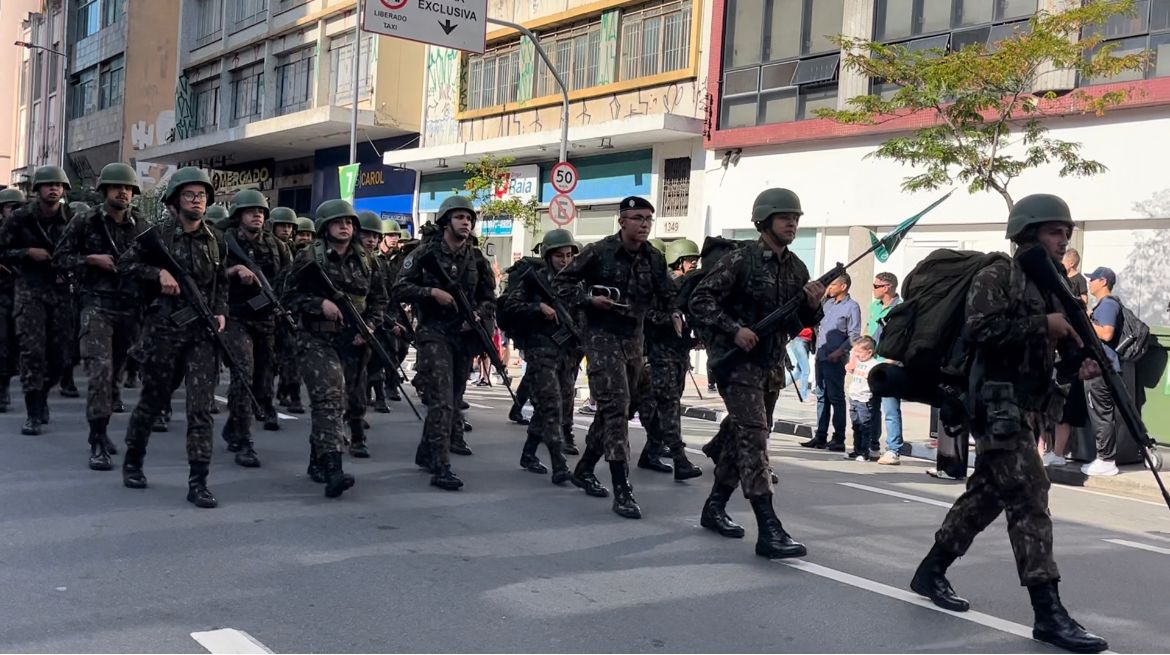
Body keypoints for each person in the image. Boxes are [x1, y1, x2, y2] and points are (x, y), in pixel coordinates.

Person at [910, 193, 1108, 654]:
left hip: (1031, 405)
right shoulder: (997, 273)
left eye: (1067, 232)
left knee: (987, 496)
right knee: (1029, 493)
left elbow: (1053, 347)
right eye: (1055, 231)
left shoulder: (1053, 279)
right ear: (1028, 232)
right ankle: (1048, 612)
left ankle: (932, 569)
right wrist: (1045, 324)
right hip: (994, 404)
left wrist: (1076, 361)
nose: (1064, 240)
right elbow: (980, 329)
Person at [689, 188, 824, 558]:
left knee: (739, 437)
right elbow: (700, 300)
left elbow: (797, 325)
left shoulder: (797, 268)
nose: (792, 223)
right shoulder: (740, 260)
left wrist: (813, 306)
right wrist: (734, 329)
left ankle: (714, 507)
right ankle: (769, 528)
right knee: (754, 439)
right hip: (737, 364)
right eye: (784, 217)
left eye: (795, 218)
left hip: (770, 366)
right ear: (764, 221)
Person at [555, 196, 679, 519]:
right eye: (637, 218)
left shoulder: (653, 258)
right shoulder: (599, 251)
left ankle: (583, 468)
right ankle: (622, 489)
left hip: (634, 341)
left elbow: (668, 295)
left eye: (648, 219)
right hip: (600, 338)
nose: (644, 224)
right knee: (616, 404)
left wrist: (676, 313)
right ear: (622, 221)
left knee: (621, 409)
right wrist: (588, 299)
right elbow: (561, 284)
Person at [116, 167, 227, 509]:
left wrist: (221, 311)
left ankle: (199, 480)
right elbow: (124, 267)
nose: (197, 201)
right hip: (164, 331)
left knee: (200, 409)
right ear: (175, 200)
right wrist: (157, 272)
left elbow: (220, 282)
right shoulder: (157, 235)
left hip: (201, 335)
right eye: (190, 195)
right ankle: (133, 460)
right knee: (152, 400)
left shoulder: (215, 239)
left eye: (202, 196)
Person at [283, 199, 385, 497]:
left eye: (349, 222)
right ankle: (333, 467)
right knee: (328, 398)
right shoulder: (308, 258)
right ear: (325, 226)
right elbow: (287, 297)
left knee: (340, 403)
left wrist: (369, 327)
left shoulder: (368, 260)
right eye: (339, 221)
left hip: (352, 341)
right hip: (316, 338)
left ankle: (317, 460)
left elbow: (380, 300)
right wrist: (319, 304)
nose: (345, 226)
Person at [394, 196, 495, 490]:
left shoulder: (477, 259)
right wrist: (431, 293)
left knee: (452, 398)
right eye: (460, 217)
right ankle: (441, 464)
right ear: (445, 221)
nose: (466, 222)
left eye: (469, 218)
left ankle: (426, 452)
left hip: (463, 336)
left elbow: (490, 298)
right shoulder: (425, 253)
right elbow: (399, 288)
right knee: (440, 399)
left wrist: (477, 314)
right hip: (433, 332)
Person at [52, 163, 144, 471]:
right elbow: (59, 259)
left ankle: (103, 436)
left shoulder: (141, 226)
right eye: (117, 187)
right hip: (96, 305)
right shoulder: (84, 221)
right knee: (100, 375)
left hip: (130, 310)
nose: (123, 192)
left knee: (116, 372)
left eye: (128, 188)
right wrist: (90, 259)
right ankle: (97, 439)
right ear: (104, 191)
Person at [499, 228, 582, 484]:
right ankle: (559, 464)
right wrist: (538, 307)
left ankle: (528, 453)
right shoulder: (533, 280)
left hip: (567, 354)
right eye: (559, 255)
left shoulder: (575, 282)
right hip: (540, 351)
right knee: (551, 406)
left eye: (568, 255)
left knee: (558, 405)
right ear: (548, 256)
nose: (565, 260)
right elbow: (510, 306)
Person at [0, 166, 75, 435]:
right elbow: (3, 251)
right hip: (29, 289)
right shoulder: (20, 219)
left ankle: (42, 394)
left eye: (58, 184)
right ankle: (32, 411)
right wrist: (27, 252)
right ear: (38, 190)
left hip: (60, 291)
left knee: (61, 357)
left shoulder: (73, 219)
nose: (53, 188)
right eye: (48, 184)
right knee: (32, 352)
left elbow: (85, 250)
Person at [221, 189, 292, 466]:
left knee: (263, 379)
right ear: (239, 215)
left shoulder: (278, 247)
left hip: (266, 319)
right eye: (252, 212)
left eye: (261, 212)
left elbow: (288, 280)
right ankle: (244, 439)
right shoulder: (224, 243)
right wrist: (233, 271)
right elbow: (208, 276)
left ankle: (233, 424)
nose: (257, 216)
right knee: (243, 373)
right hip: (235, 317)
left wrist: (279, 303)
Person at [635, 237, 703, 479]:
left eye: (696, 260)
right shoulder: (661, 286)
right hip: (656, 357)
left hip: (677, 356)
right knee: (667, 407)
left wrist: (695, 337)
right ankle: (679, 459)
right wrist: (671, 318)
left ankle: (651, 452)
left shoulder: (688, 287)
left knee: (657, 409)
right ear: (678, 261)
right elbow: (645, 314)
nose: (694, 264)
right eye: (689, 260)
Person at [802, 274, 861, 451]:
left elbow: (854, 335)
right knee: (821, 397)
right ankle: (820, 436)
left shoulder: (852, 307)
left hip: (835, 358)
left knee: (836, 398)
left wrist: (840, 351)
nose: (830, 288)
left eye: (833, 285)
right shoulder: (826, 304)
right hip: (821, 356)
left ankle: (839, 438)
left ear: (843, 287)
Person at [1082, 266, 1122, 477]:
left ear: (1103, 282)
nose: (1090, 283)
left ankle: (1106, 459)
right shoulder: (1104, 305)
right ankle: (1104, 457)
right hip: (1100, 366)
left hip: (1101, 367)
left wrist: (1086, 322)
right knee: (1100, 413)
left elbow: (1106, 334)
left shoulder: (1107, 305)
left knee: (1101, 414)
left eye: (1093, 279)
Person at [869, 272, 904, 464]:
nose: (873, 289)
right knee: (871, 406)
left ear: (887, 287)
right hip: (872, 361)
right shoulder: (874, 307)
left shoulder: (901, 308)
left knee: (890, 408)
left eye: (876, 286)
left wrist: (895, 360)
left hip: (890, 363)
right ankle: (873, 445)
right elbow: (868, 332)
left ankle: (894, 449)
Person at [0, 187, 27, 414]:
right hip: (3, 293)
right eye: (11, 207)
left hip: (27, 293)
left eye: (20, 207)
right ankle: (2, 387)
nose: (16, 212)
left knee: (20, 343)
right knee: (3, 340)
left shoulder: (29, 231)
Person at [845, 336, 878, 462]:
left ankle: (864, 451)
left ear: (869, 352)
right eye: (855, 352)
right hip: (854, 396)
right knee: (856, 425)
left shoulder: (874, 365)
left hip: (864, 399)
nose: (857, 355)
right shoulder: (859, 362)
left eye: (860, 352)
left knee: (865, 426)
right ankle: (856, 449)